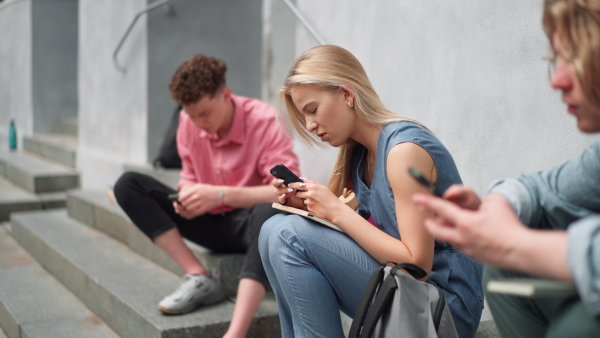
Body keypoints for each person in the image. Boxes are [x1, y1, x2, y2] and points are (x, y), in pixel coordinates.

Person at [258, 45, 484, 338]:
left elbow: (416, 265)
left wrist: (336, 211)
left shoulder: (404, 152)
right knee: (272, 230)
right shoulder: (359, 156)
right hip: (404, 290)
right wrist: (309, 208)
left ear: (347, 94)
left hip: (443, 310)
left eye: (312, 110)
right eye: (304, 118)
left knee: (287, 235)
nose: (311, 125)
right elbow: (371, 240)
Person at [413, 1, 600, 337]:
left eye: (574, 57)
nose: (557, 80)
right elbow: (541, 188)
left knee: (576, 327)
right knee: (503, 269)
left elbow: (414, 260)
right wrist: (496, 210)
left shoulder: (403, 147)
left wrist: (513, 242)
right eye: (556, 59)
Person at [113, 54, 300, 338]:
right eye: (191, 115)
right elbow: (188, 174)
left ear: (226, 95)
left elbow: (286, 191)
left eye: (205, 114)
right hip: (208, 222)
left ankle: (235, 333)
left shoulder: (264, 120)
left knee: (271, 211)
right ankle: (198, 275)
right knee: (128, 184)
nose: (198, 123)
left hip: (250, 226)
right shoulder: (188, 123)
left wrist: (221, 195)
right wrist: (187, 196)